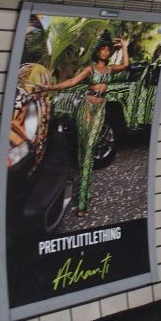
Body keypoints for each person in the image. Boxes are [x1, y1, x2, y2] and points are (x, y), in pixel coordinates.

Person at [37, 35, 130, 214]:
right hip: (85, 108)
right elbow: (72, 81)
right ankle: (82, 190)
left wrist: (124, 46)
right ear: (97, 52)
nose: (105, 51)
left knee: (89, 149)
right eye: (102, 49)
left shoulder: (110, 69)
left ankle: (82, 201)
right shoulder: (90, 69)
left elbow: (126, 65)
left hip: (100, 108)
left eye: (107, 49)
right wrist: (51, 88)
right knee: (82, 151)